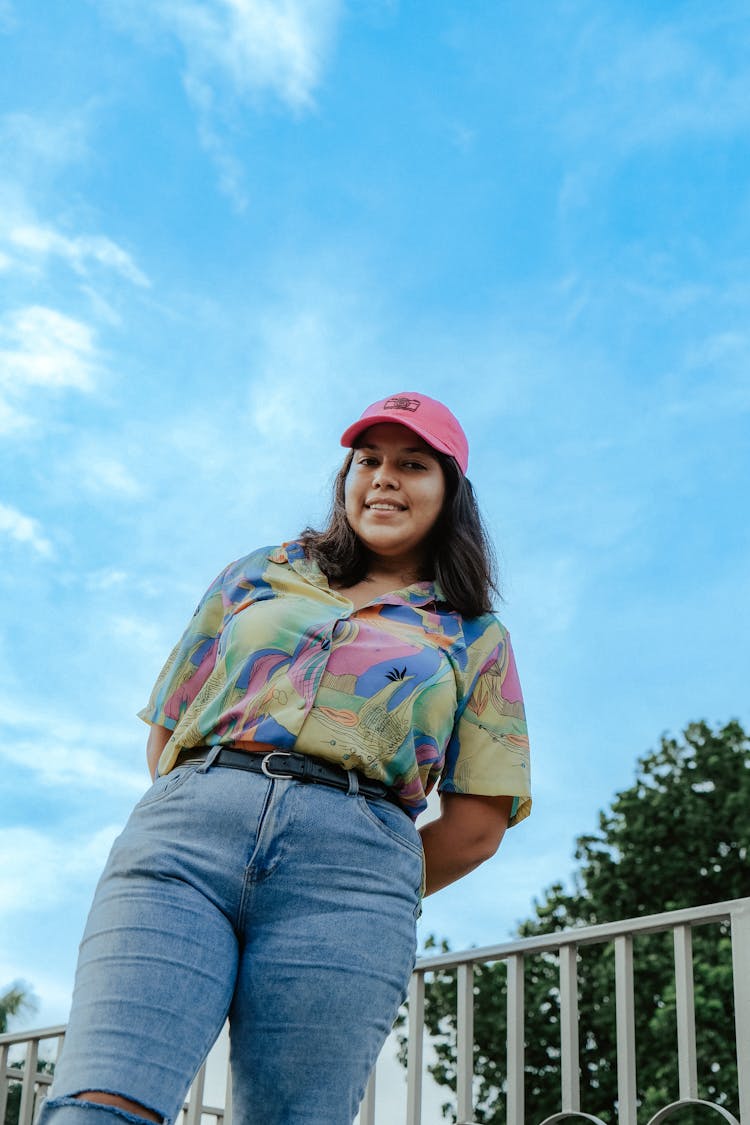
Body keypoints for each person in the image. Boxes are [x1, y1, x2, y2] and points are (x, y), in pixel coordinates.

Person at [38, 391, 531, 1125]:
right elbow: (171, 723)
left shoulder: (474, 636)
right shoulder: (260, 573)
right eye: (369, 461)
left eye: (412, 464)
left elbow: (478, 824)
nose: (384, 478)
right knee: (97, 1105)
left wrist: (367, 878)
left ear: (450, 490)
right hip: (186, 844)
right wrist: (217, 811)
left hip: (353, 885)